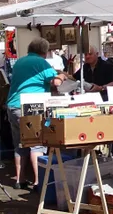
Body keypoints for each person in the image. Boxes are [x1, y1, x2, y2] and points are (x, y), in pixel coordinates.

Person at [6, 37, 67, 190]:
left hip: (13, 105)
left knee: (20, 144)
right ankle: (38, 182)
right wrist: (62, 75)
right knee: (37, 144)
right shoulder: (41, 63)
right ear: (44, 51)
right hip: (31, 106)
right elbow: (56, 82)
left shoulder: (20, 61)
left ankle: (19, 179)